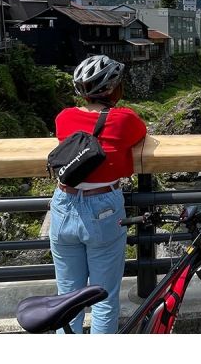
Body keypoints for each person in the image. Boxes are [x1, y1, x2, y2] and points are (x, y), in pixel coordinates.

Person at [49, 54, 147, 333]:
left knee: (67, 298)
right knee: (103, 297)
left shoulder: (64, 117)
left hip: (63, 204)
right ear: (114, 88)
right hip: (103, 207)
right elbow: (141, 136)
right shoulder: (125, 119)